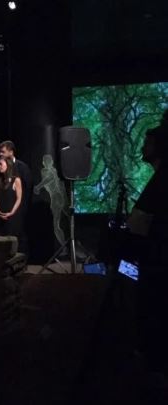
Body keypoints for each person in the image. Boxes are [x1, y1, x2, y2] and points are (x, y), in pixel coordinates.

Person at [127, 121, 168, 382]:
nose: (143, 146)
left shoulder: (161, 182)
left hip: (156, 265)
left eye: (148, 142)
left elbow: (138, 226)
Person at [0, 141, 32, 253]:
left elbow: (28, 187)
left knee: (19, 235)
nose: (0, 154)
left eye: (3, 151)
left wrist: (21, 207)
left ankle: (21, 259)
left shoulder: (22, 167)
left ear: (11, 152)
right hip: (6, 207)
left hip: (19, 209)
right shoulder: (1, 167)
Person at [0, 157, 23, 237]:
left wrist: (12, 212)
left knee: (10, 239)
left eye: (0, 164)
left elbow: (19, 198)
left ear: (8, 165)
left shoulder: (16, 180)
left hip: (11, 217)